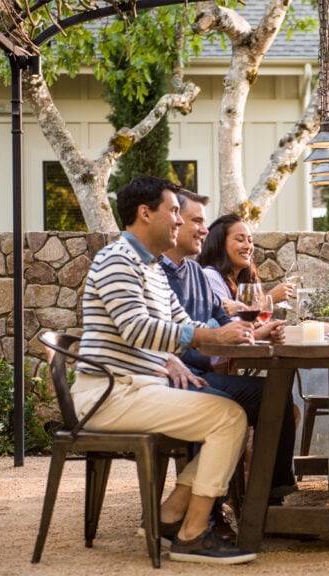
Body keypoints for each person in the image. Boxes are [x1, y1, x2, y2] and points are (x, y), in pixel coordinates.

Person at [72, 176, 256, 565]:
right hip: (109, 393)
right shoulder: (117, 260)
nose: (179, 221)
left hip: (138, 386)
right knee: (228, 417)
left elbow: (180, 324)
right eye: (174, 211)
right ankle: (191, 534)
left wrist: (239, 334)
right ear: (145, 213)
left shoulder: (151, 266)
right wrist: (214, 336)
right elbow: (138, 328)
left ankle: (171, 515)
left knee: (229, 410)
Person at [160, 189, 297, 508]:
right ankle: (206, 511)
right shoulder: (155, 273)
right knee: (229, 407)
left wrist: (260, 333)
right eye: (193, 219)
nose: (202, 229)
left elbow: (221, 324)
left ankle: (271, 498)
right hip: (175, 377)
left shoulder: (192, 271)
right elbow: (180, 338)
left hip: (198, 370)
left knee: (274, 394)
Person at [197, 213, 293, 317]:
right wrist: (269, 299)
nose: (248, 246)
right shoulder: (210, 276)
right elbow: (224, 322)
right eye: (240, 240)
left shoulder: (241, 282)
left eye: (250, 240)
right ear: (220, 244)